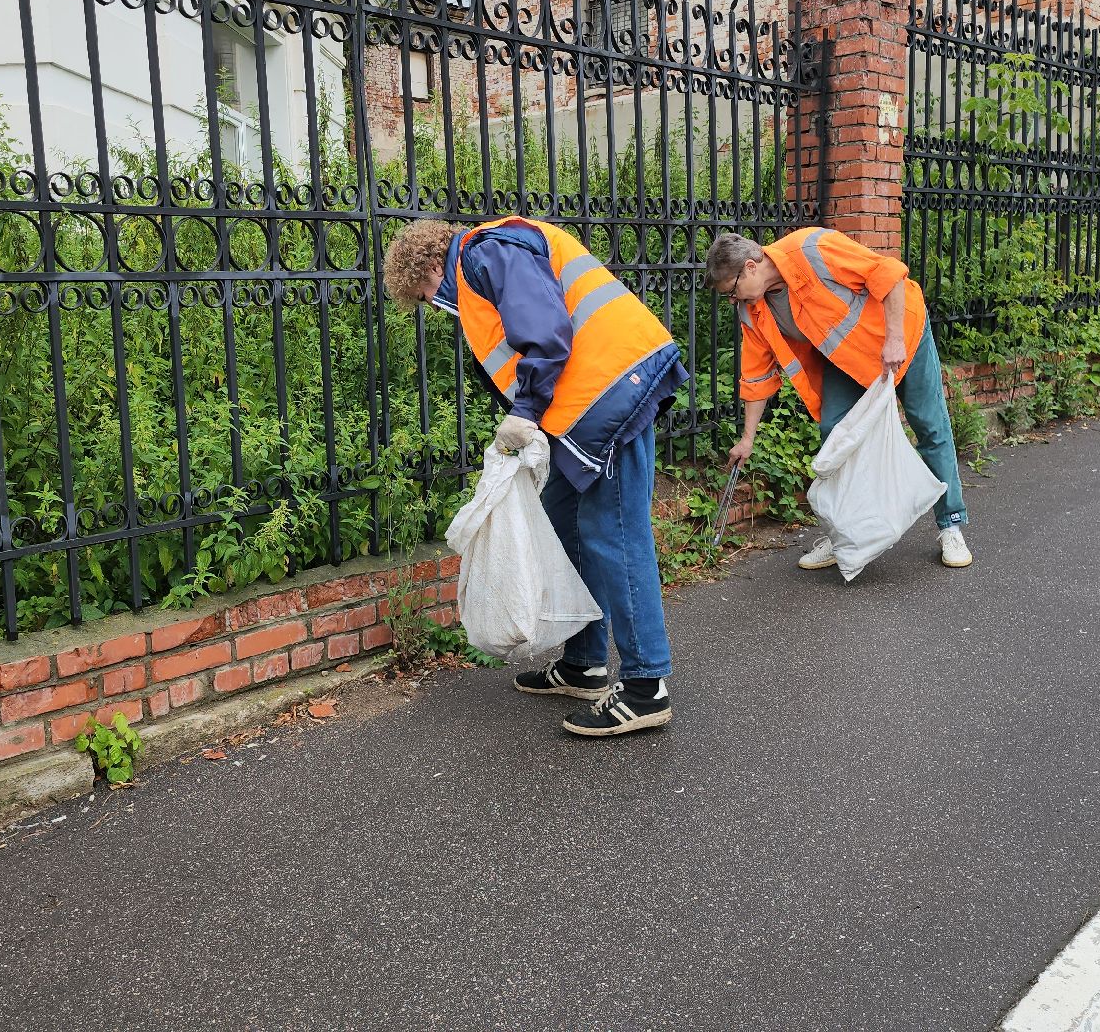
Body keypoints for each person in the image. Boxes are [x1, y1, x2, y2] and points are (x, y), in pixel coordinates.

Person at [383, 216, 688, 737]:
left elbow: (546, 334)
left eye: (425, 292)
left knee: (614, 534)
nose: (432, 304)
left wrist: (525, 411)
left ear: (432, 264)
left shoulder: (484, 255)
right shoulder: (484, 264)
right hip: (587, 403)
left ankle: (646, 686)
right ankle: (584, 663)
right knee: (563, 524)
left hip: (612, 393)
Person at [706, 228, 973, 569]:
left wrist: (894, 340)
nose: (733, 300)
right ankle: (846, 537)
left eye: (731, 290)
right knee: (834, 433)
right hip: (847, 360)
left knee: (929, 425)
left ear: (750, 267)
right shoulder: (752, 309)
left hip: (902, 334)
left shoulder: (813, 249)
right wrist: (747, 439)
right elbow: (757, 375)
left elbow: (889, 273)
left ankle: (950, 525)